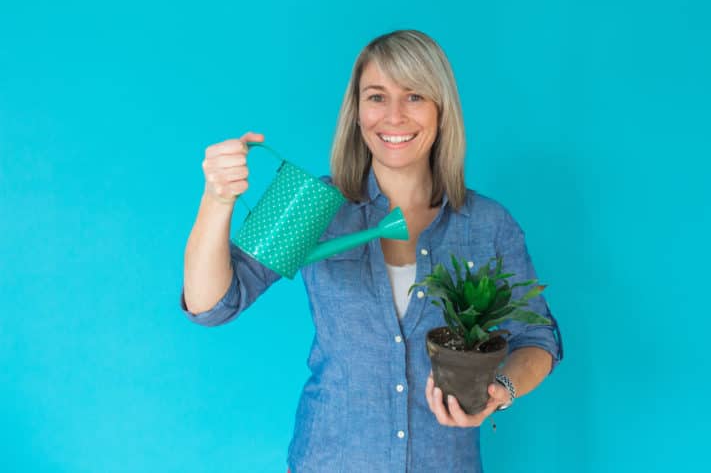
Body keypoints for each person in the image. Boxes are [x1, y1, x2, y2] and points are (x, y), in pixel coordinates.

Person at [181, 30, 563, 473]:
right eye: (377, 97)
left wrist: (501, 387)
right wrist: (217, 200)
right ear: (357, 112)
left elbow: (538, 339)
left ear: (442, 111)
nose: (394, 117)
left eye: (415, 96)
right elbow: (213, 305)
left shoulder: (487, 223)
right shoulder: (313, 205)